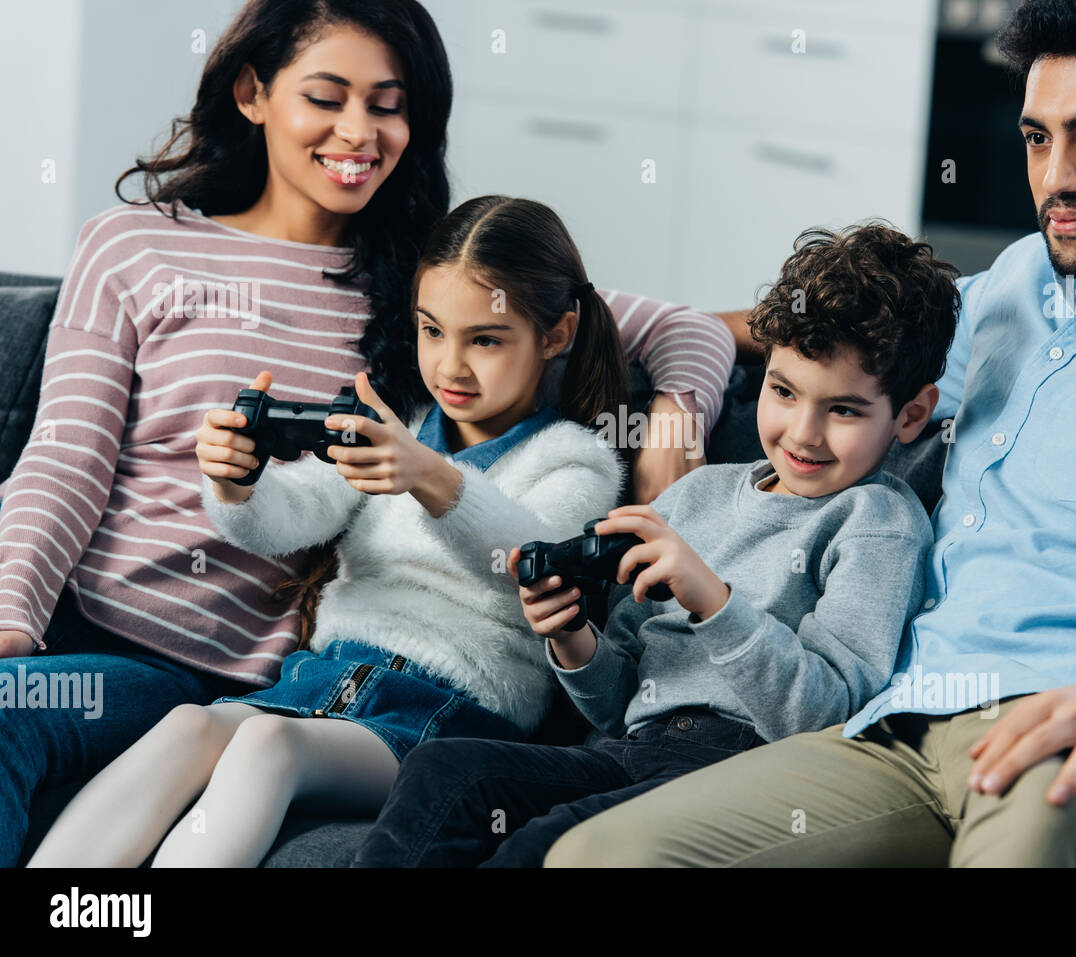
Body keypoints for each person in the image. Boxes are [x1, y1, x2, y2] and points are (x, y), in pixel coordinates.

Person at [544, 0, 1076, 867]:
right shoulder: (1023, 280)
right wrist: (680, 387)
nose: (1055, 180)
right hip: (889, 725)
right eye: (1036, 137)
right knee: (597, 859)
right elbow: (813, 330)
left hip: (1053, 734)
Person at [0, 0, 734, 867]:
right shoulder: (133, 247)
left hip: (270, 679)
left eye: (388, 104)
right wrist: (12, 621)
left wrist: (673, 421)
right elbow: (63, 461)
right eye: (328, 96)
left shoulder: (427, 278)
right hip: (105, 638)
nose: (360, 131)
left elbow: (670, 325)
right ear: (251, 91)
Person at [27, 195, 634, 867]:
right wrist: (238, 482)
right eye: (433, 331)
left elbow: (525, 556)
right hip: (322, 679)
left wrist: (428, 475)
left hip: (444, 716)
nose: (451, 366)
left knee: (267, 747)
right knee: (188, 725)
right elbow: (291, 514)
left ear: (557, 333)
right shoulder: (397, 423)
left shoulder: (575, 459)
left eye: (485, 340)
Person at [349, 221, 956, 866]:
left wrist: (714, 602)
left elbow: (827, 714)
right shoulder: (697, 498)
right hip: (629, 752)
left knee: (541, 847)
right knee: (444, 770)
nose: (802, 433)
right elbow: (616, 704)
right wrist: (573, 637)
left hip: (746, 774)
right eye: (782, 392)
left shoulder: (877, 519)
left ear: (912, 415)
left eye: (844, 411)